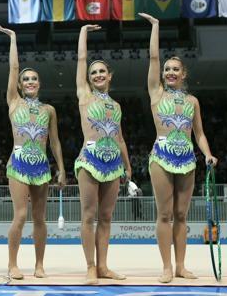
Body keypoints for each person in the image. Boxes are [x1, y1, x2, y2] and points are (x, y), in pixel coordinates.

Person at [140, 13, 217, 283]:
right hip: (161, 157)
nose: (170, 72)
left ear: (183, 74)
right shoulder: (156, 94)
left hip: (187, 159)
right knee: (164, 213)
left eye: (175, 69)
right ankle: (165, 266)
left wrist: (207, 154)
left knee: (182, 215)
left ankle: (181, 266)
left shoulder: (193, 101)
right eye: (167, 69)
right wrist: (156, 27)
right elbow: (152, 58)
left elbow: (200, 133)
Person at [0, 24, 66, 280]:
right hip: (18, 164)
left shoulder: (49, 110)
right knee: (21, 215)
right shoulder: (14, 103)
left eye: (33, 79)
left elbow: (55, 142)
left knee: (40, 218)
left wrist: (61, 169)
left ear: (39, 83)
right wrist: (13, 39)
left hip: (42, 166)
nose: (29, 82)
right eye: (25, 79)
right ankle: (12, 264)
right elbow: (13, 69)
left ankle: (39, 264)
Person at [75, 25, 131, 284]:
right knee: (89, 215)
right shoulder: (85, 95)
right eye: (93, 73)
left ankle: (103, 266)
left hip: (113, 164)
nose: (97, 75)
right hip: (89, 161)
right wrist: (84, 32)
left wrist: (127, 167)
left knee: (106, 217)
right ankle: (89, 266)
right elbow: (82, 59)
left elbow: (119, 137)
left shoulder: (116, 105)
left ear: (110, 76)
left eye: (101, 72)